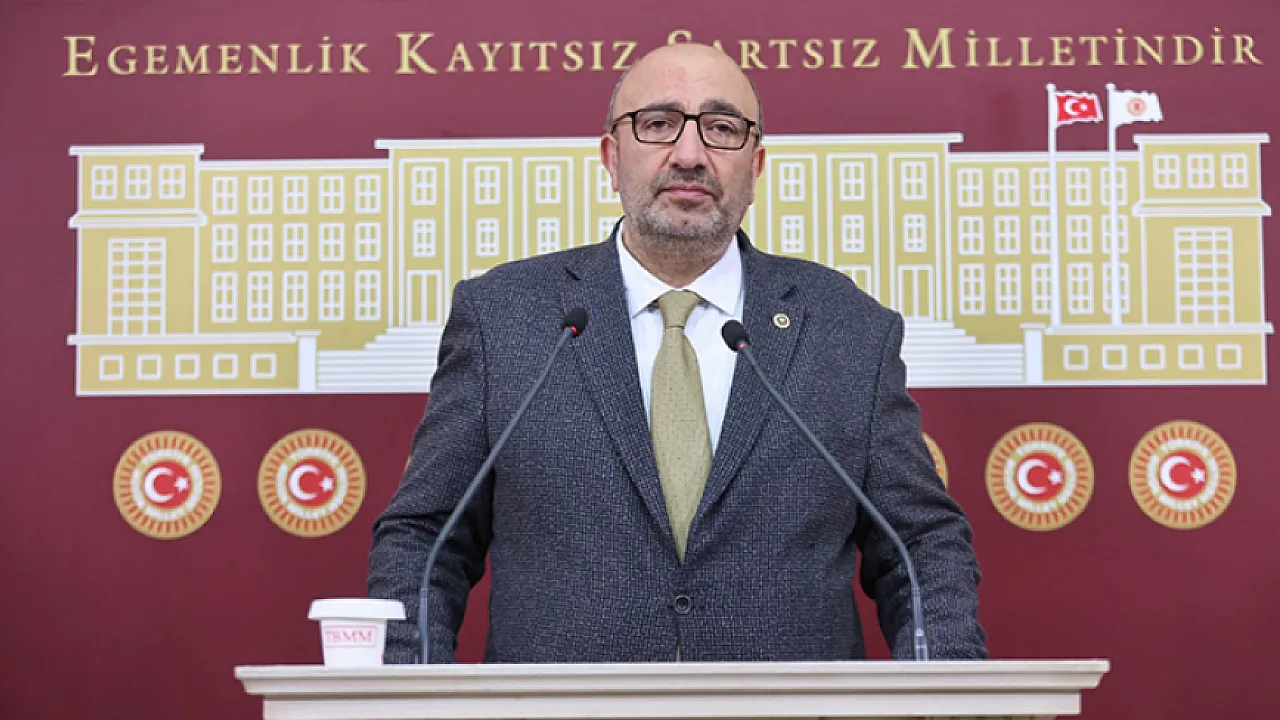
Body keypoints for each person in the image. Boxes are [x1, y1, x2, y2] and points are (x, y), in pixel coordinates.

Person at [367, 42, 987, 664]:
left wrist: (948, 691)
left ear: (756, 165)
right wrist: (405, 691)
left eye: (722, 129)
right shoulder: (504, 316)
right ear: (611, 157)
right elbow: (426, 538)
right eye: (658, 124)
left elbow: (920, 544)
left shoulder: (846, 326)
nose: (689, 155)